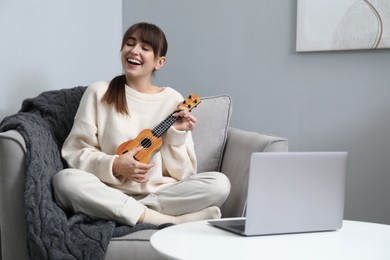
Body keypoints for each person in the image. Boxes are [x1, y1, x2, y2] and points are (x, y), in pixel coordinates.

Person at [52, 22, 231, 226]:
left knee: (219, 184)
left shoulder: (173, 100)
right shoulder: (99, 92)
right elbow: (75, 152)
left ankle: (130, 212)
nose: (134, 51)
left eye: (145, 48)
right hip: (109, 190)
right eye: (130, 44)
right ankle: (169, 221)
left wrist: (175, 135)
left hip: (159, 194)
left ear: (159, 62)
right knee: (64, 181)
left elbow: (185, 175)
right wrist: (115, 165)